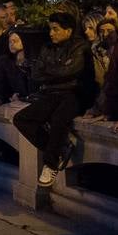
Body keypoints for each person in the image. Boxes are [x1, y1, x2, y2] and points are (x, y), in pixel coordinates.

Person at [12, 13, 89, 187]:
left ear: (68, 30)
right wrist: (56, 71)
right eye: (50, 29)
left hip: (74, 93)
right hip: (51, 93)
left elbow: (71, 70)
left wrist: (51, 71)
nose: (52, 33)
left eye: (56, 29)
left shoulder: (80, 47)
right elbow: (36, 74)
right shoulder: (47, 47)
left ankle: (51, 163)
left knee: (59, 119)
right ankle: (56, 149)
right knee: (22, 119)